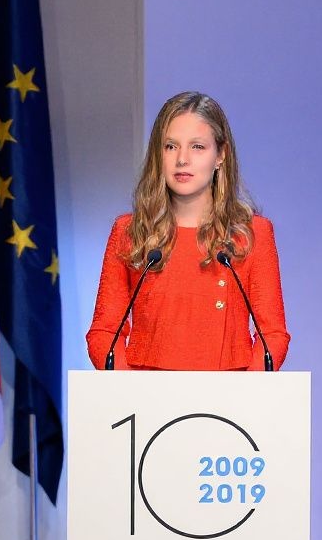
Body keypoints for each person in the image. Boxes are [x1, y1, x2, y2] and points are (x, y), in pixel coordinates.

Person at [86, 91, 289, 371]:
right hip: (145, 403)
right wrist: (128, 391)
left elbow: (273, 335)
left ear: (221, 155)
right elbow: (104, 333)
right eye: (171, 146)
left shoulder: (252, 233)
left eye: (197, 147)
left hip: (228, 405)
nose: (182, 159)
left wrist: (245, 397)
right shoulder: (130, 232)